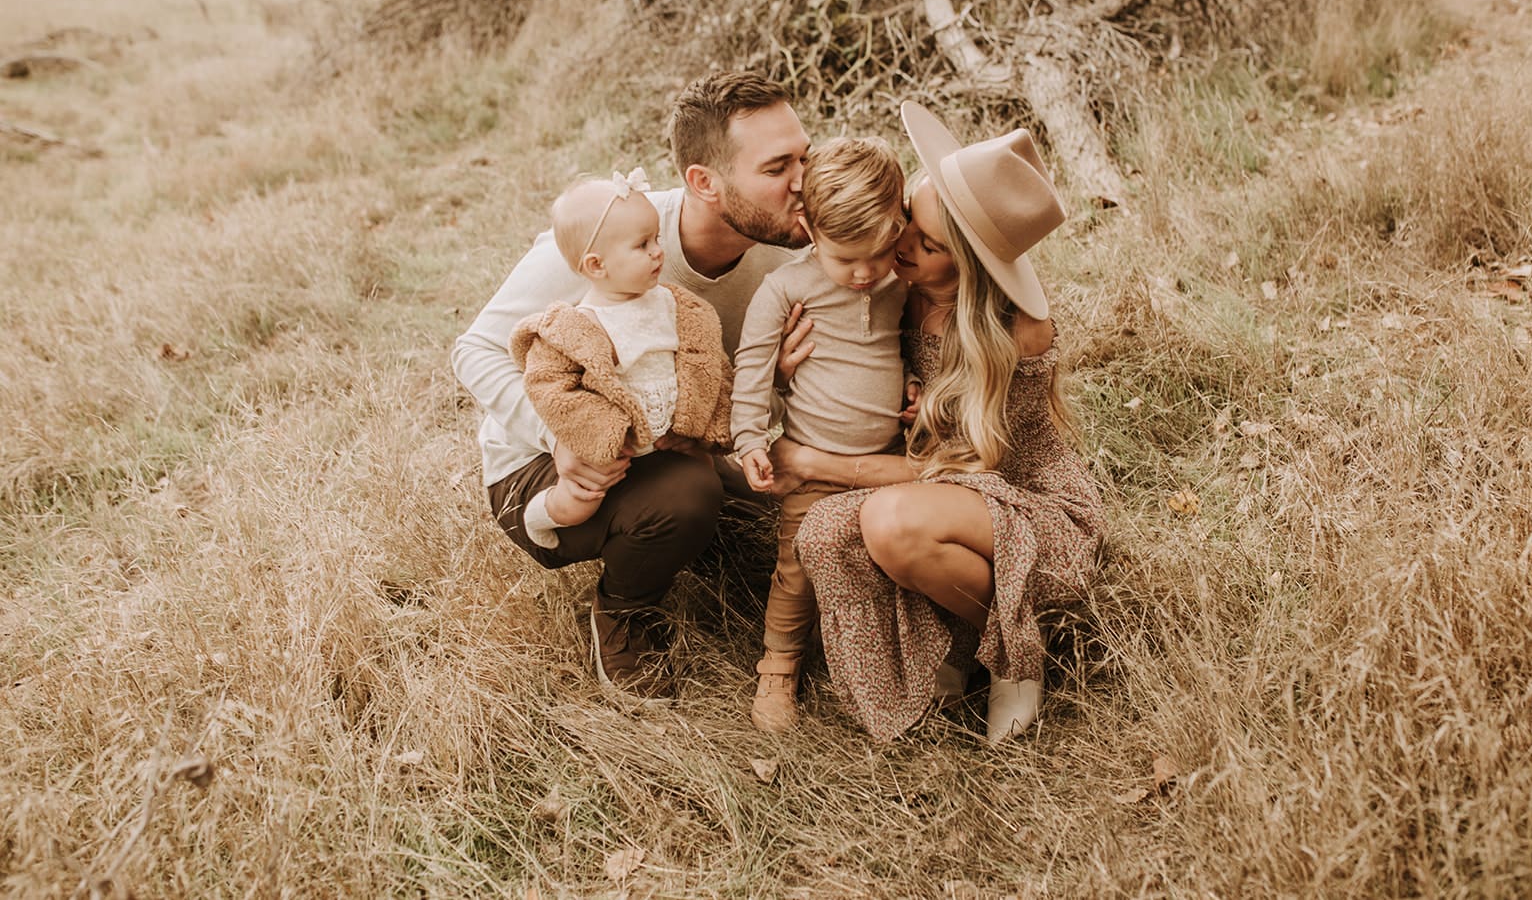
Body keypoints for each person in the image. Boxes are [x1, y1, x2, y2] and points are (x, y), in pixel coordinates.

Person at [451, 72, 813, 702]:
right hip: (549, 468)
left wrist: (777, 384)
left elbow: (738, 399)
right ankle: (624, 610)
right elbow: (474, 350)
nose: (803, 181)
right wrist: (560, 439)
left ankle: (695, 548)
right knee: (691, 492)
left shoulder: (788, 262)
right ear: (704, 181)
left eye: (805, 157)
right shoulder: (613, 235)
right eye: (778, 166)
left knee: (793, 509)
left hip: (672, 444)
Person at [788, 102, 1106, 743]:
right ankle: (955, 644)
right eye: (909, 221)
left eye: (927, 245)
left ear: (970, 266)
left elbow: (965, 469)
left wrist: (820, 464)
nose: (899, 245)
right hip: (942, 497)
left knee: (891, 522)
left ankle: (1016, 656)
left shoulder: (1018, 334)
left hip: (1027, 508)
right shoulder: (892, 289)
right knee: (824, 532)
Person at [729, 137, 911, 733]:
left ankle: (889, 655)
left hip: (892, 455)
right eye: (845, 259)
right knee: (797, 564)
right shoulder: (786, 289)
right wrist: (751, 440)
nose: (863, 274)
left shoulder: (900, 282)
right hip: (813, 459)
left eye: (878, 254)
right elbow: (753, 368)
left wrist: (917, 387)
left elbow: (912, 348)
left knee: (884, 559)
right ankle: (778, 667)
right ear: (808, 226)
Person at [509, 170, 733, 539]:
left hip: (668, 436)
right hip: (614, 447)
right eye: (642, 245)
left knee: (710, 473)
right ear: (597, 265)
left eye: (657, 238)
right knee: (583, 501)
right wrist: (597, 432)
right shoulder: (579, 325)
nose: (658, 251)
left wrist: (703, 424)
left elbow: (706, 359)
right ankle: (545, 512)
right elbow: (548, 385)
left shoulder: (675, 305)